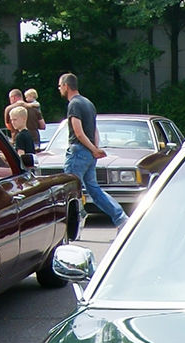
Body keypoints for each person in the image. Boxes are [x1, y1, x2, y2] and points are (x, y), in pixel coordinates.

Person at [57, 72, 128, 227]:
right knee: (94, 191)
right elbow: (95, 130)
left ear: (66, 86)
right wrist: (94, 149)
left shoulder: (74, 104)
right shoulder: (88, 103)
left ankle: (76, 224)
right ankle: (121, 219)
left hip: (78, 152)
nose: (59, 89)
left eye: (59, 86)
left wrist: (93, 149)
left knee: (71, 191)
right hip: (89, 153)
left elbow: (78, 131)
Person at [8, 105, 37, 169]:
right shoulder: (28, 134)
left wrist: (7, 158)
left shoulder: (20, 136)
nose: (13, 122)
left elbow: (21, 156)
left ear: (24, 119)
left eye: (15, 119)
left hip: (24, 169)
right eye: (11, 120)